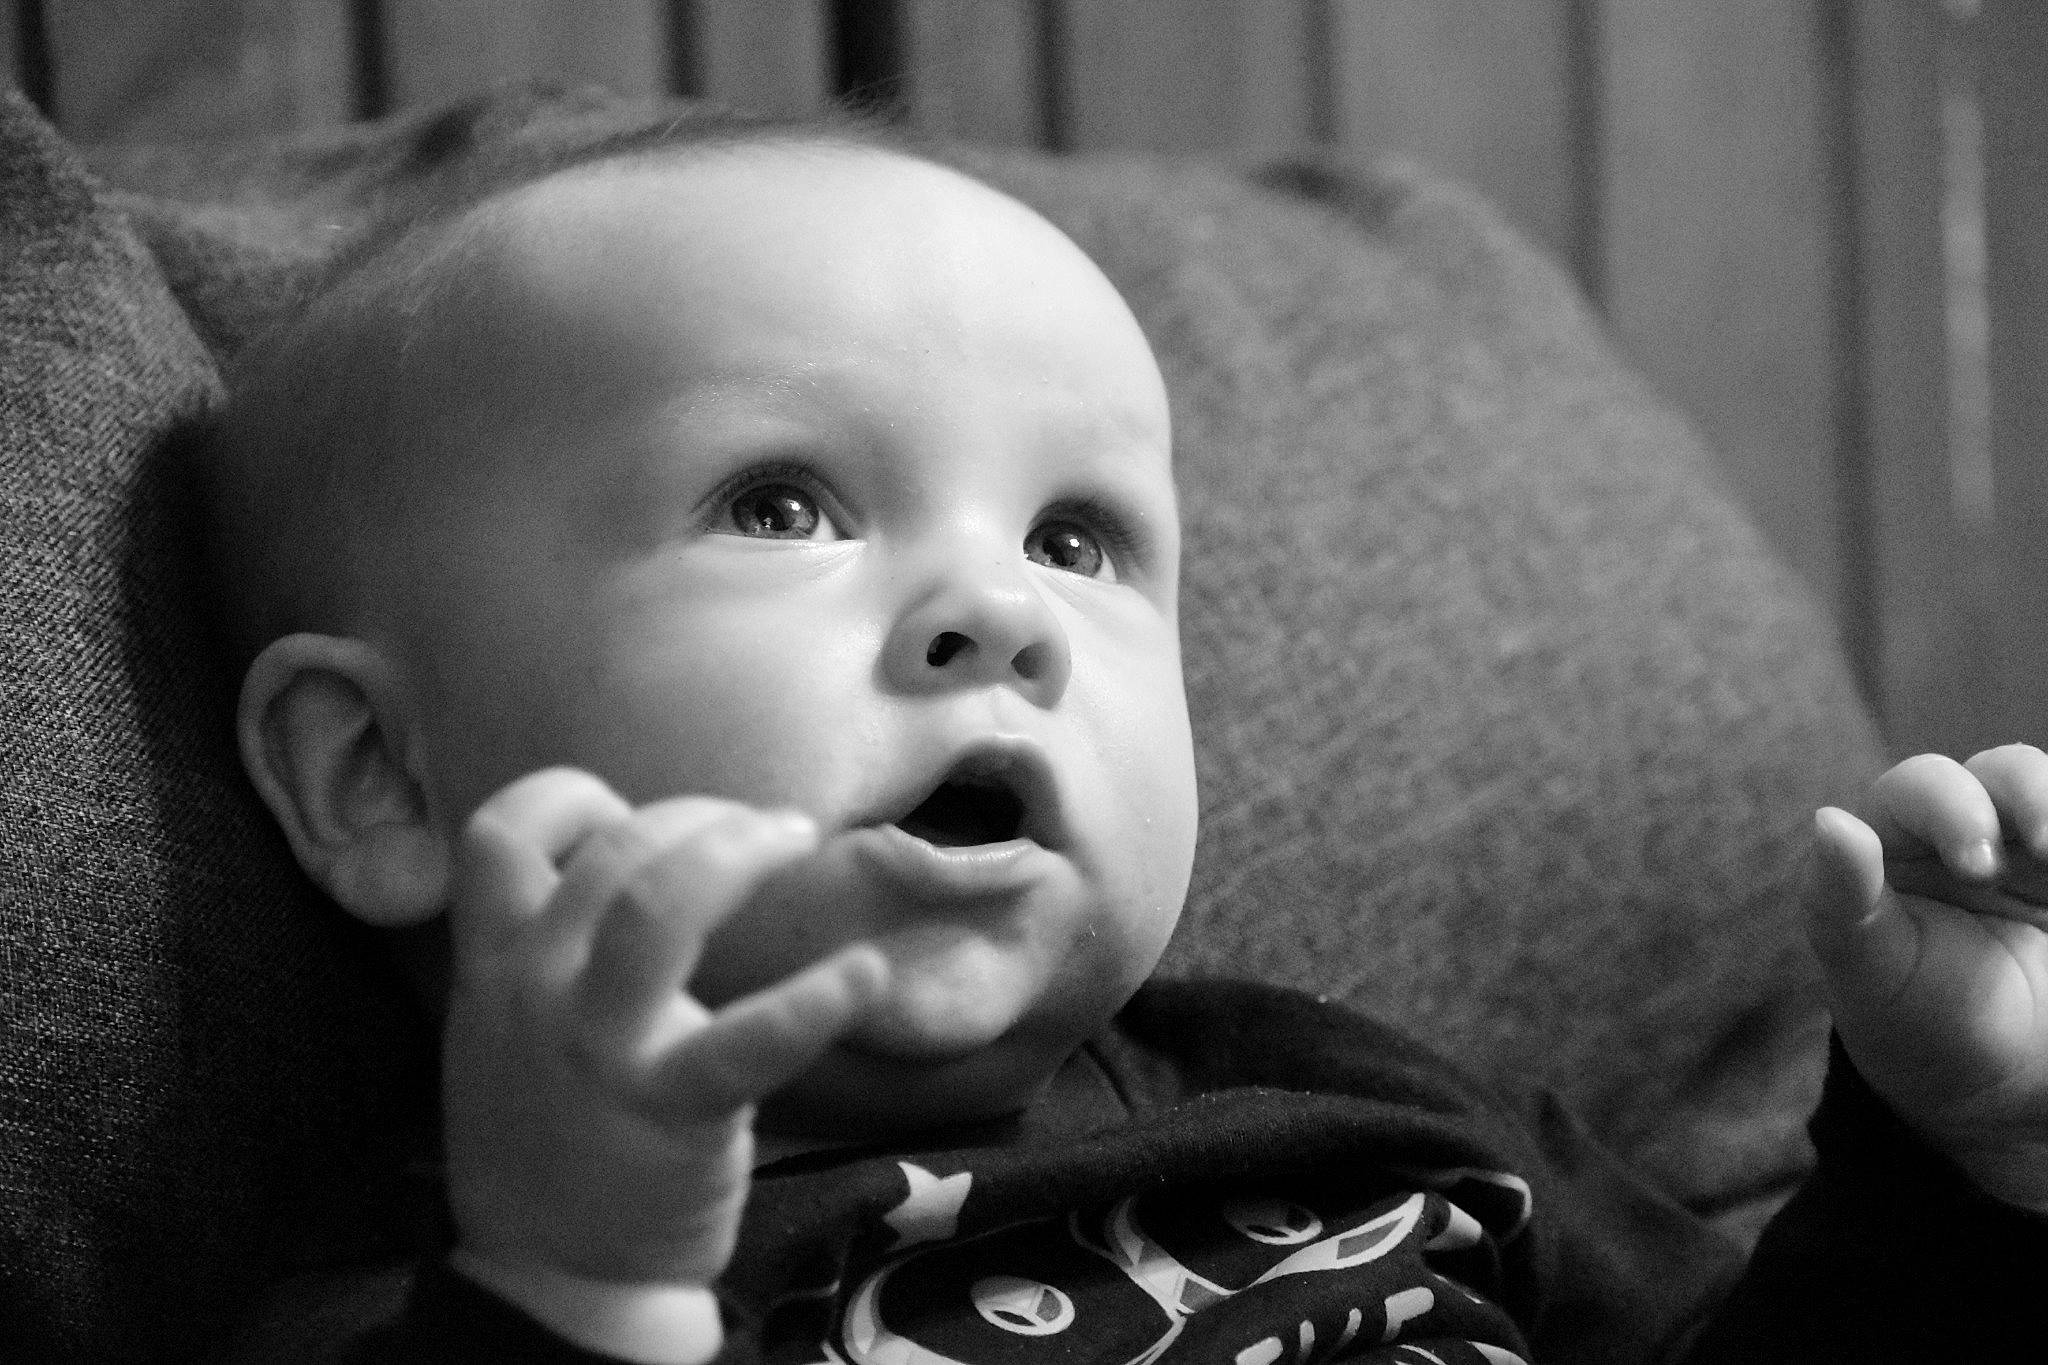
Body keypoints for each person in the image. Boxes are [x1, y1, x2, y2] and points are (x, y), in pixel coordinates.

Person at [195, 117, 2048, 1364]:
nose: (997, 613)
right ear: (380, 774)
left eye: (1078, 542)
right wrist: (582, 1282)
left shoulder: (1357, 1102)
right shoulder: (400, 1297)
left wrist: (1960, 1161)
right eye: (781, 506)